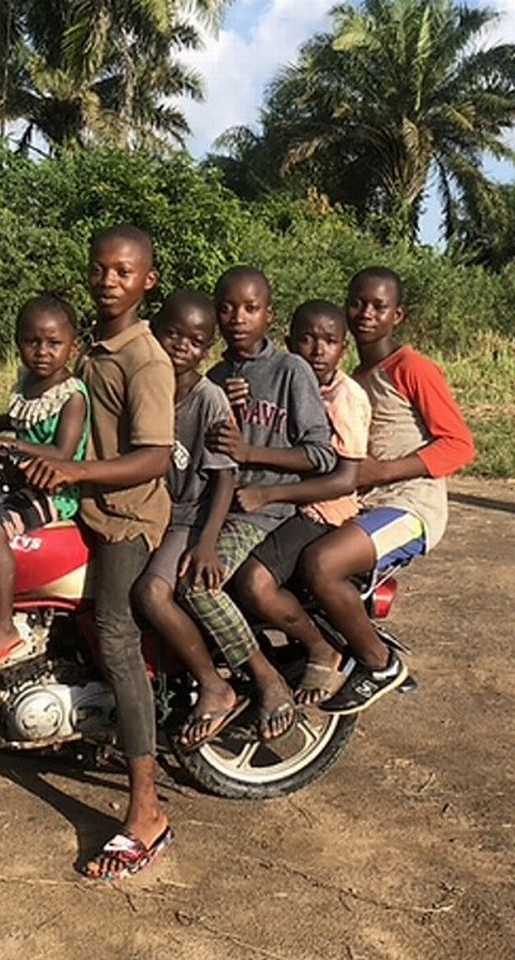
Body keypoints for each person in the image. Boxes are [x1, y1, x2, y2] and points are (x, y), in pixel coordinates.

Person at [22, 225, 175, 881]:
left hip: (128, 517)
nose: (108, 281)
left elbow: (155, 457)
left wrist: (76, 473)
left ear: (148, 281)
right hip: (87, 506)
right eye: (99, 269)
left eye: (123, 271)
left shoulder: (146, 359)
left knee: (115, 634)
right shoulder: (89, 349)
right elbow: (59, 410)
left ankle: (147, 812)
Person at [301, 267, 475, 715]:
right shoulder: (350, 378)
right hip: (362, 503)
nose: (366, 314)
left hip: (409, 505)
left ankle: (379, 663)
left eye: (379, 307)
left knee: (322, 564)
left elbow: (458, 444)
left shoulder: (411, 368)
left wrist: (382, 471)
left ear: (398, 316)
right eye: (358, 303)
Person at [179, 267, 337, 741]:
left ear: (269, 314)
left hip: (265, 511)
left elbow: (321, 455)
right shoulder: (214, 377)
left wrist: (251, 454)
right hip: (216, 507)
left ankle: (266, 680)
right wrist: (217, 403)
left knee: (200, 585)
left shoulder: (290, 370)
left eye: (250, 308)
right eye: (227, 308)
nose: (237, 318)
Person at [229, 299, 372, 705]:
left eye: (329, 341)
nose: (318, 350)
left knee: (254, 582)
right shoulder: (287, 381)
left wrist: (269, 493)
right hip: (284, 504)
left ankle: (320, 648)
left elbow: (344, 479)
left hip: (320, 510)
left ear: (344, 348)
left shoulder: (345, 396)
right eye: (307, 340)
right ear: (290, 344)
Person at [132, 290, 247, 751]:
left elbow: (224, 478)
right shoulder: (146, 385)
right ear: (154, 334)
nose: (181, 346)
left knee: (152, 593)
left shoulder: (209, 400)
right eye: (172, 334)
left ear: (207, 349)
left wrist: (207, 542)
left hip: (189, 517)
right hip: (149, 509)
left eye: (195, 341)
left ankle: (213, 684)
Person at [0, 295, 88, 674]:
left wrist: (13, 445)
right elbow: (17, 419)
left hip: (56, 491)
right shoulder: (29, 383)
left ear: (72, 346)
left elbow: (62, 452)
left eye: (54, 343)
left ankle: (4, 624)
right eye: (32, 342)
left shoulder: (72, 396)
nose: (42, 352)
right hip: (27, 482)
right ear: (18, 342)